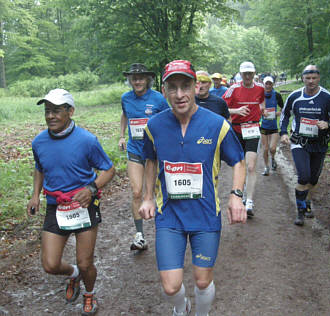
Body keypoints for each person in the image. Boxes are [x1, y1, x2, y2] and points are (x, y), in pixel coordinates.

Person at [139, 60, 246, 316]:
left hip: (206, 215)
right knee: (170, 286)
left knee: (201, 280)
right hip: (170, 216)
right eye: (172, 87)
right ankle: (181, 307)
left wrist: (236, 195)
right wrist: (147, 197)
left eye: (185, 86)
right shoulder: (154, 126)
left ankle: (201, 313)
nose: (179, 94)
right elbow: (150, 159)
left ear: (194, 87)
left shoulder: (217, 125)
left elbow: (238, 161)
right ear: (164, 90)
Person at [27, 89, 115, 315]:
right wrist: (35, 195)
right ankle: (73, 273)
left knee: (86, 262)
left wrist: (91, 188)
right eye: (47, 111)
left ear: (70, 111)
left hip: (84, 205)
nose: (50, 116)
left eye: (56, 111)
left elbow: (108, 169)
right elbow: (40, 169)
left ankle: (89, 294)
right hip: (56, 206)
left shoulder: (87, 140)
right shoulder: (39, 142)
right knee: (50, 265)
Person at [280, 65, 330, 226]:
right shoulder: (295, 96)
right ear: (303, 78)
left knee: (313, 179)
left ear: (318, 78)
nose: (311, 81)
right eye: (308, 78)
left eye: (314, 78)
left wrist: (328, 125)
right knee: (304, 176)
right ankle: (300, 211)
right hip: (299, 142)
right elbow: (285, 114)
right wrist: (283, 133)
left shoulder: (327, 97)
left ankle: (308, 202)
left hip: (319, 144)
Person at [119, 63, 170, 250]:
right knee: (136, 192)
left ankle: (164, 230)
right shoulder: (125, 98)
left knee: (156, 192)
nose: (137, 81)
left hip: (154, 155)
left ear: (147, 80)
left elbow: (168, 120)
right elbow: (125, 115)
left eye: (141, 78)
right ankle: (139, 235)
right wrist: (121, 136)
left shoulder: (158, 99)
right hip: (134, 150)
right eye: (134, 78)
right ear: (130, 80)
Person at [223, 61, 265, 218]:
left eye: (250, 73)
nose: (247, 76)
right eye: (245, 73)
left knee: (252, 166)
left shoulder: (260, 88)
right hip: (237, 130)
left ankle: (250, 201)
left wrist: (261, 109)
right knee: (239, 165)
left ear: (254, 74)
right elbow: (222, 108)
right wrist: (236, 110)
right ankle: (239, 194)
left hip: (253, 129)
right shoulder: (233, 89)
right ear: (240, 74)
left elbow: (261, 101)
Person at [260, 76, 284, 175]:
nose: (268, 85)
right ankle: (266, 167)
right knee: (265, 149)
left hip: (274, 126)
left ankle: (273, 159)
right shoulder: (260, 95)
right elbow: (255, 107)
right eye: (266, 83)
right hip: (263, 126)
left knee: (272, 148)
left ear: (273, 84)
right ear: (264, 84)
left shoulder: (277, 95)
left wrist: (278, 113)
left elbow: (284, 108)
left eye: (270, 83)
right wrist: (260, 112)